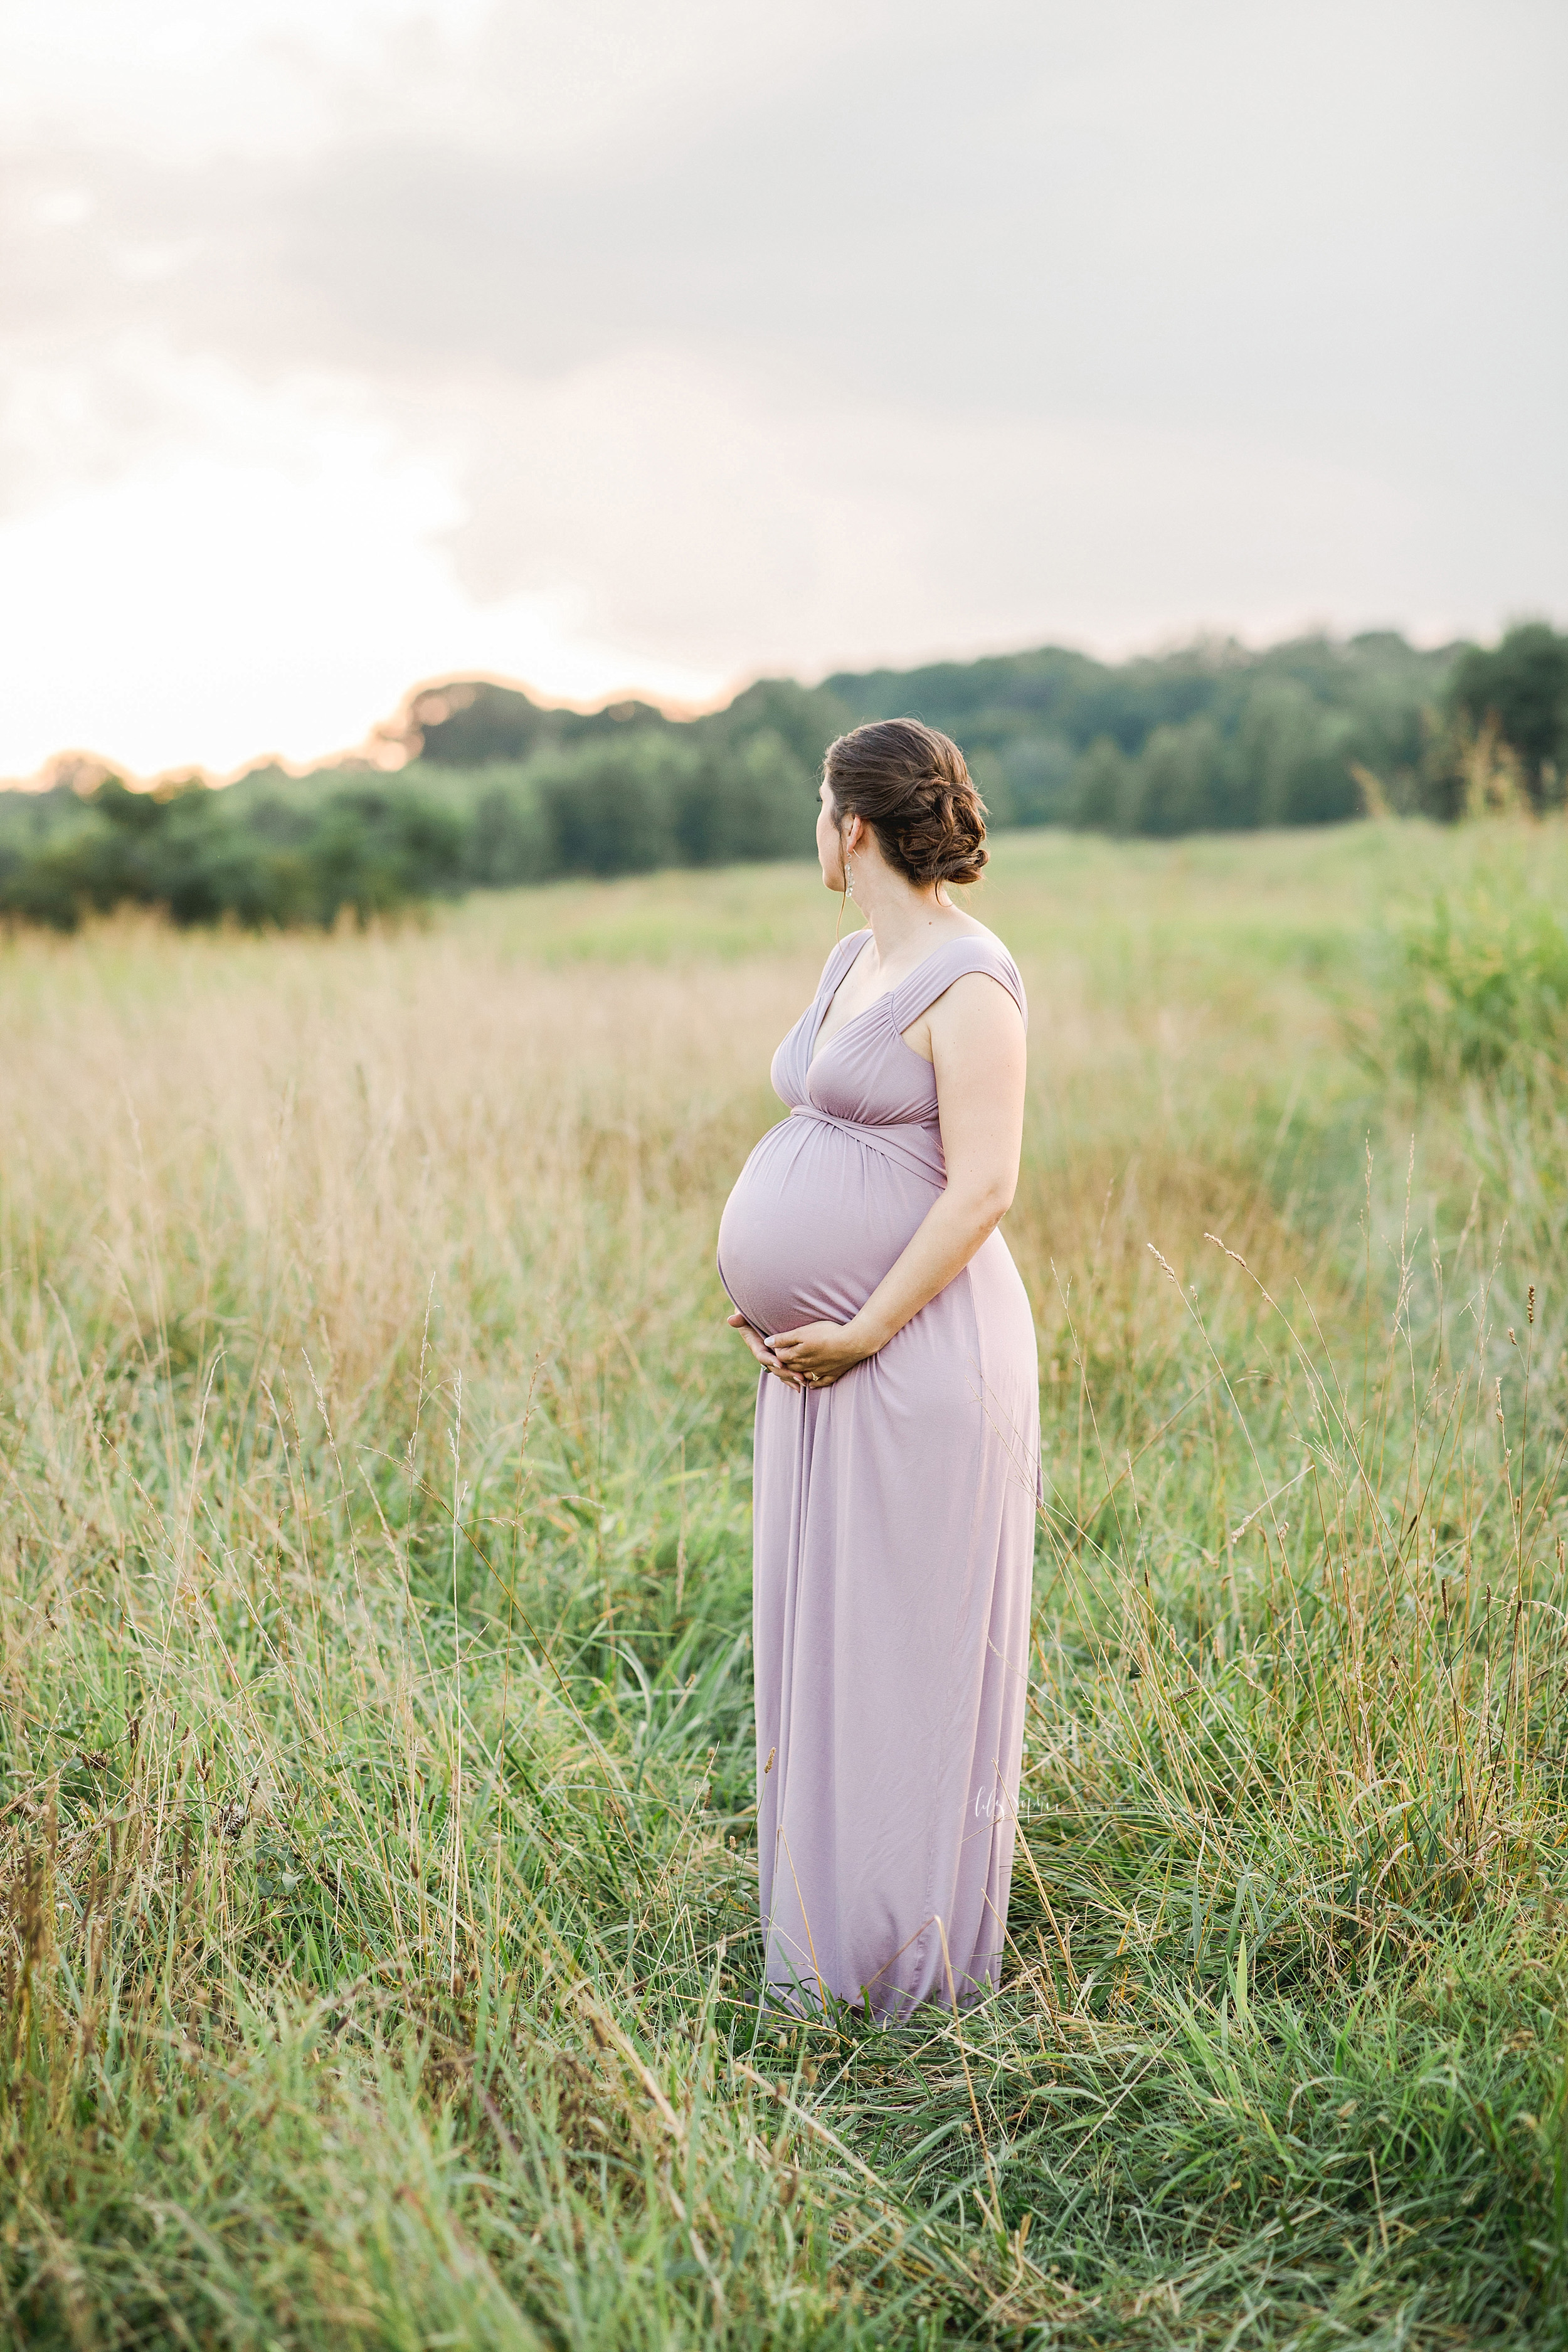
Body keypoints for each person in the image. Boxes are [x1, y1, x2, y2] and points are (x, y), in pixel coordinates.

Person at [716, 718, 1041, 2021]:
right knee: (826, 1638)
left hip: (918, 1363)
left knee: (904, 1647)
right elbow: (818, 1137)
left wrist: (859, 1326)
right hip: (822, 1366)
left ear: (852, 824)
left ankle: (909, 1966)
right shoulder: (852, 955)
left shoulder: (970, 980)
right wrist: (776, 1299)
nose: (814, 828)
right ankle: (826, 1933)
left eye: (817, 806)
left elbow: (984, 1188)